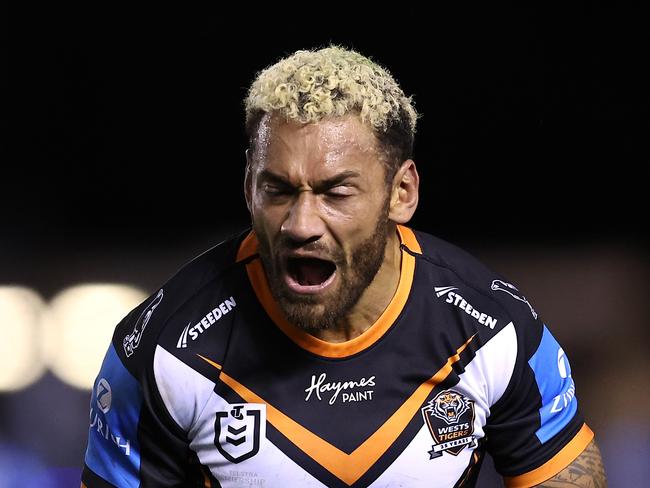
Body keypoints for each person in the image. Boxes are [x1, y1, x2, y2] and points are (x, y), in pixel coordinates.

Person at [81, 46, 606, 487]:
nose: (301, 223)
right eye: (278, 190)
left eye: (336, 191)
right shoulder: (163, 352)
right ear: (248, 188)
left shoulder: (493, 332)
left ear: (401, 193)